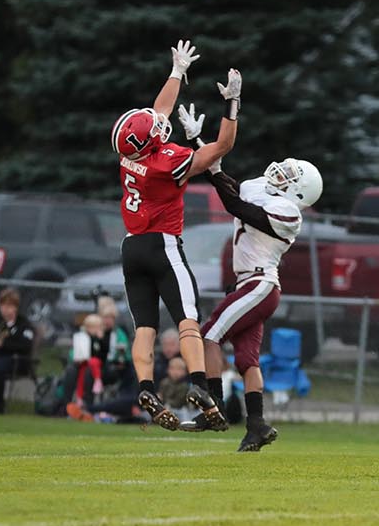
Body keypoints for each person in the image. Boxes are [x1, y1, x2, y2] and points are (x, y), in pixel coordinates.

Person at [113, 38, 240, 431]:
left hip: (131, 247)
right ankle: (199, 386)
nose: (157, 120)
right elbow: (222, 146)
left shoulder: (129, 156)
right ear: (153, 140)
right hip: (163, 245)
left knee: (145, 327)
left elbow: (158, 111)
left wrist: (176, 72)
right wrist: (232, 104)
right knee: (188, 319)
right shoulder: (169, 162)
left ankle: (146, 387)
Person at [176, 114, 323, 451]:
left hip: (259, 285)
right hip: (254, 286)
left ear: (298, 191)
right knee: (247, 360)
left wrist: (212, 158)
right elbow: (227, 184)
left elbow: (236, 205)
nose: (282, 172)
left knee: (208, 336)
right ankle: (256, 425)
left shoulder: (288, 213)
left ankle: (212, 408)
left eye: (291, 176)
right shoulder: (264, 191)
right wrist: (201, 143)